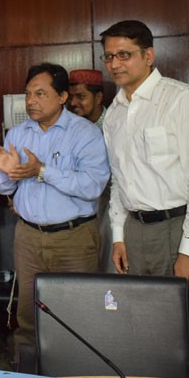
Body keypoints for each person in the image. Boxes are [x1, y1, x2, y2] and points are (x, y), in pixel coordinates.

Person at [0, 63, 109, 348]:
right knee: (28, 314)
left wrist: (40, 171)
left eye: (41, 93)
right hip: (28, 237)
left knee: (78, 314)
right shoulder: (17, 134)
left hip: (74, 238)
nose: (31, 101)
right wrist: (9, 172)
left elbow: (92, 186)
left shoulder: (85, 133)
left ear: (63, 96)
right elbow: (3, 187)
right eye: (28, 94)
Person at [101, 20, 189, 287]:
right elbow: (119, 181)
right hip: (135, 230)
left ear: (148, 56)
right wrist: (119, 236)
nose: (115, 64)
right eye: (109, 56)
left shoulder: (182, 100)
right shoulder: (114, 113)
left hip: (179, 227)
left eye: (125, 54)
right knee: (146, 318)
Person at [68, 68, 113, 273]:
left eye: (81, 96)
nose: (73, 103)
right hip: (78, 214)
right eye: (71, 97)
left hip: (111, 209)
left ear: (98, 97)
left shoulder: (115, 124)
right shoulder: (70, 129)